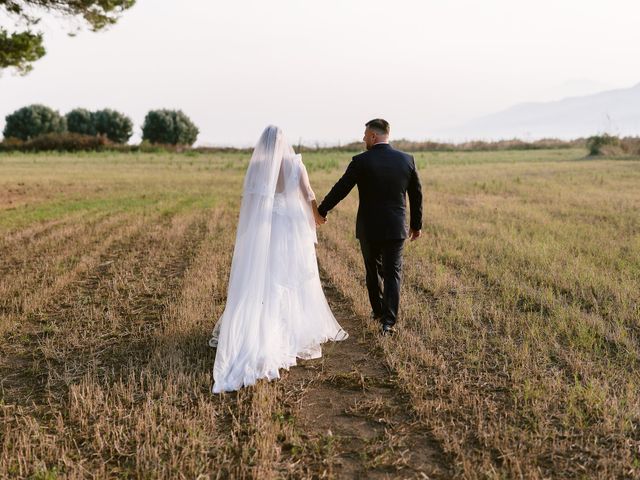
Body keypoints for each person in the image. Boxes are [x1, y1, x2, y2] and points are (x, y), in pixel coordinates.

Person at [208, 125, 348, 393]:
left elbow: (251, 200)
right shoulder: (295, 164)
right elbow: (308, 194)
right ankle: (290, 332)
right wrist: (317, 216)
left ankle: (261, 331)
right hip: (290, 229)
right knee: (291, 278)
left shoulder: (259, 165)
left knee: (267, 276)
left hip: (266, 227)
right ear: (284, 143)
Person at [317, 119, 423, 336]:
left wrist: (322, 210)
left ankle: (378, 312)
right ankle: (389, 322)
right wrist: (416, 225)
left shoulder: (361, 161)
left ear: (374, 136)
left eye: (365, 135)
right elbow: (416, 195)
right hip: (396, 227)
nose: (364, 138)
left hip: (369, 227)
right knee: (393, 272)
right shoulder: (406, 160)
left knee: (373, 271)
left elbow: (341, 188)